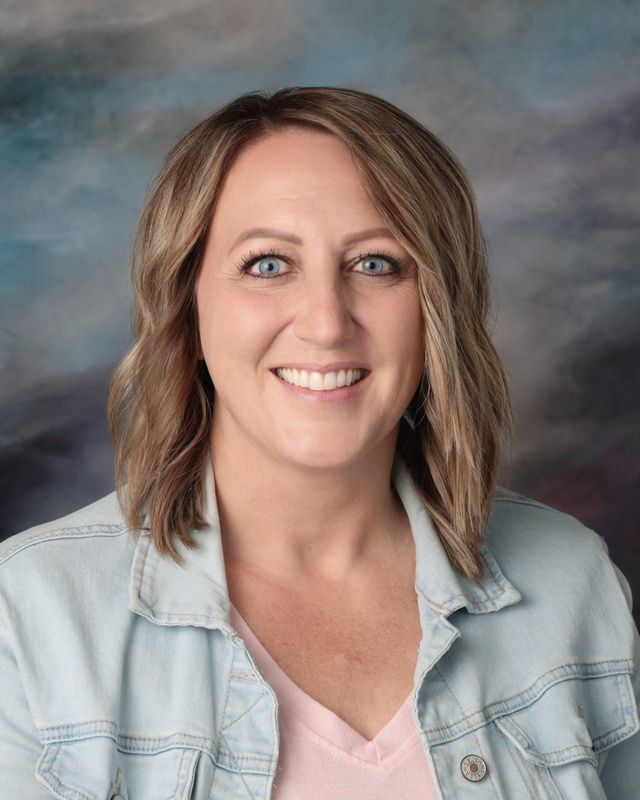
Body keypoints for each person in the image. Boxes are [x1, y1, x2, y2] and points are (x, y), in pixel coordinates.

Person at [1, 86, 638, 799]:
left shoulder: (570, 584)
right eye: (268, 265)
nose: (327, 323)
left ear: (437, 311)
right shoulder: (31, 616)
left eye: (375, 264)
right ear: (187, 307)